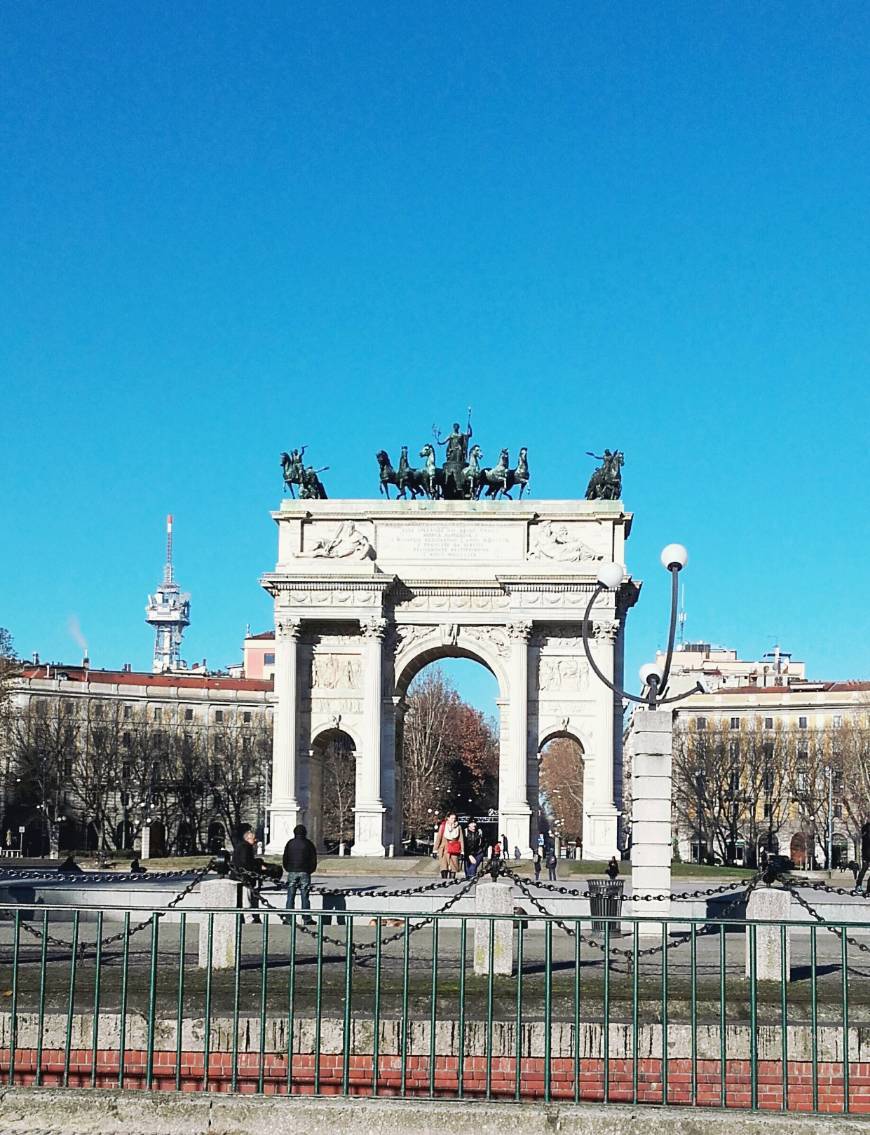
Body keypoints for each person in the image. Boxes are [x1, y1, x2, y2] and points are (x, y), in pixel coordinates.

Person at [283, 824, 318, 924]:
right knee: (305, 896)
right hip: (304, 871)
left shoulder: (290, 843)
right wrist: (310, 870)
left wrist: (288, 868)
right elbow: (313, 859)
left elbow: (285, 857)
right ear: (305, 833)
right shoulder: (308, 844)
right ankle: (306, 918)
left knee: (290, 896)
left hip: (292, 871)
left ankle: (288, 918)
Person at [232, 826, 263, 924]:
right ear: (248, 839)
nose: (255, 841)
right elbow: (246, 862)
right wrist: (257, 865)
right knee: (247, 898)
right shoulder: (247, 847)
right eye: (254, 839)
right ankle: (249, 918)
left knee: (243, 898)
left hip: (238, 875)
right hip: (244, 877)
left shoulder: (240, 846)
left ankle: (243, 917)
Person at [433, 813, 464, 881]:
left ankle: (451, 881)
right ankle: (444, 881)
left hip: (454, 849)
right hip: (444, 849)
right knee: (444, 866)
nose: (454, 820)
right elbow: (439, 838)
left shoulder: (458, 827)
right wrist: (435, 850)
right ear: (448, 818)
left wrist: (462, 851)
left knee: (454, 866)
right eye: (452, 818)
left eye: (455, 818)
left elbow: (461, 839)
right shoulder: (443, 826)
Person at [855, 821, 870, 892]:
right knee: (864, 869)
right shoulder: (866, 829)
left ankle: (858, 885)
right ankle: (868, 888)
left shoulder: (865, 828)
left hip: (865, 853)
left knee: (863, 869)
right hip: (867, 852)